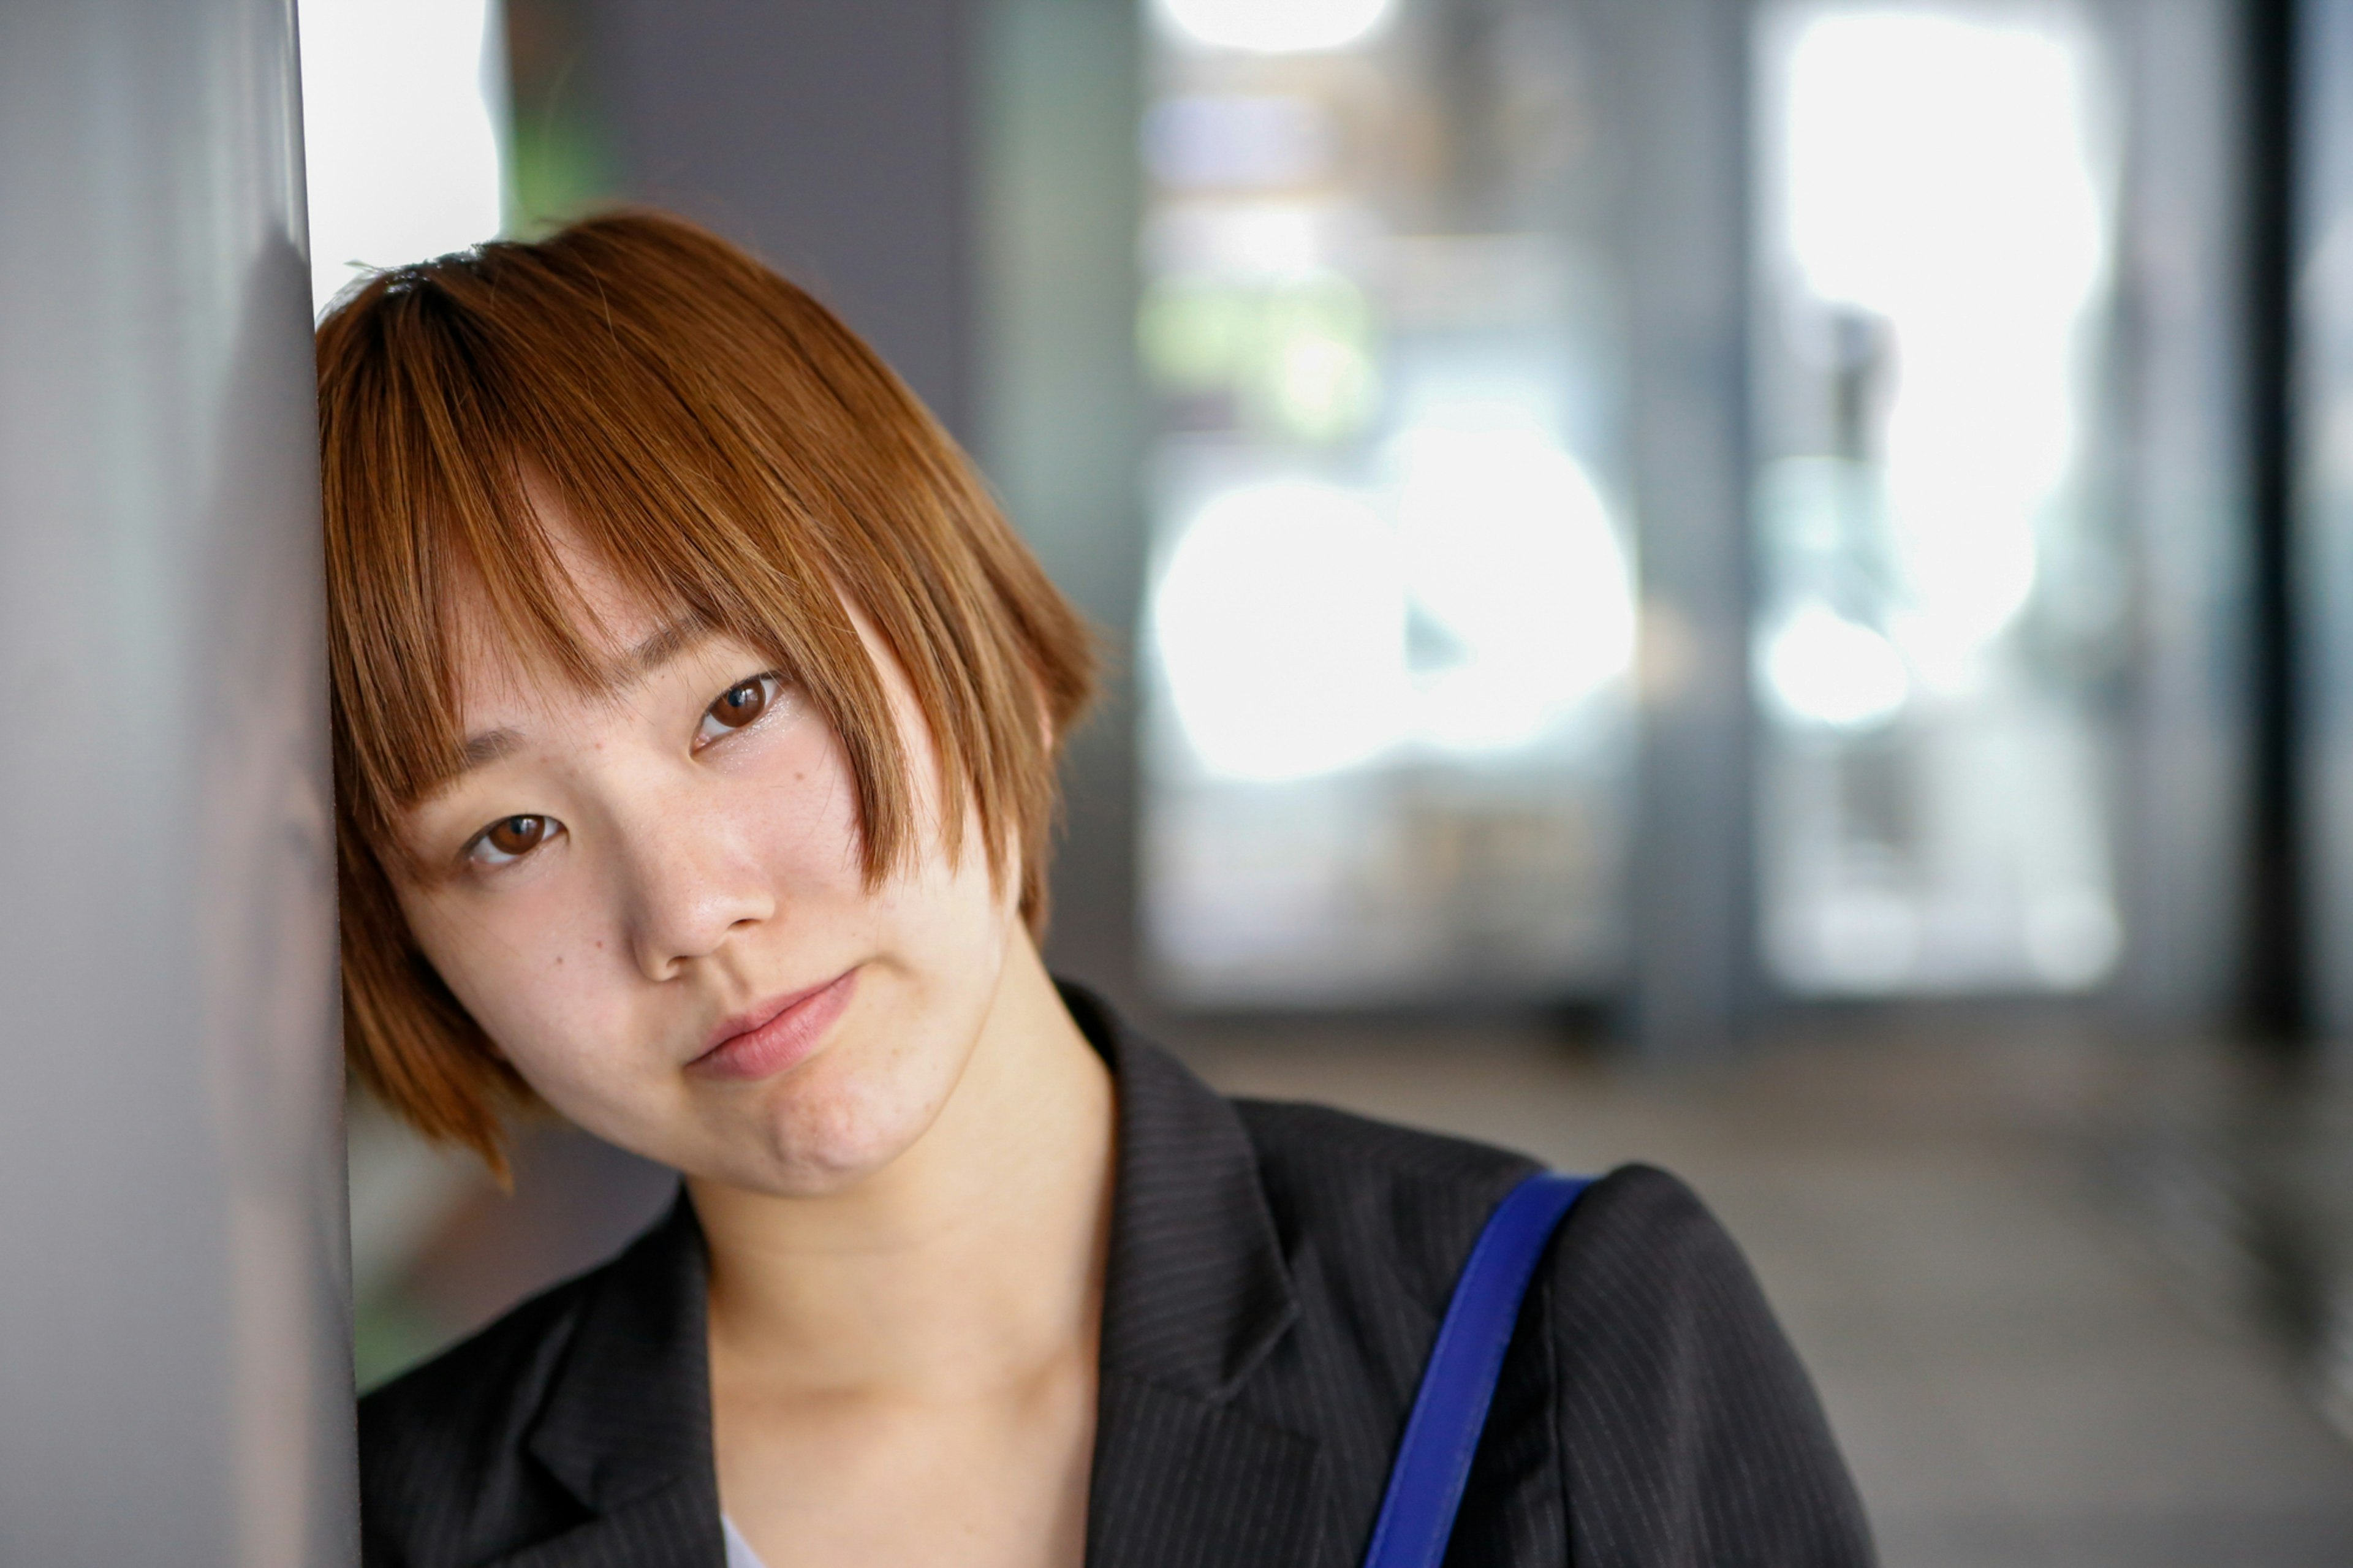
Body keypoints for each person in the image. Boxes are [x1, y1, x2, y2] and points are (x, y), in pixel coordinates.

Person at [328, 211, 1873, 1568]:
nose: (686, 909)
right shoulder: (393, 1517)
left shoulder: (1555, 1336)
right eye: (509, 835)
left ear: (952, 605)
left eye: (738, 704)